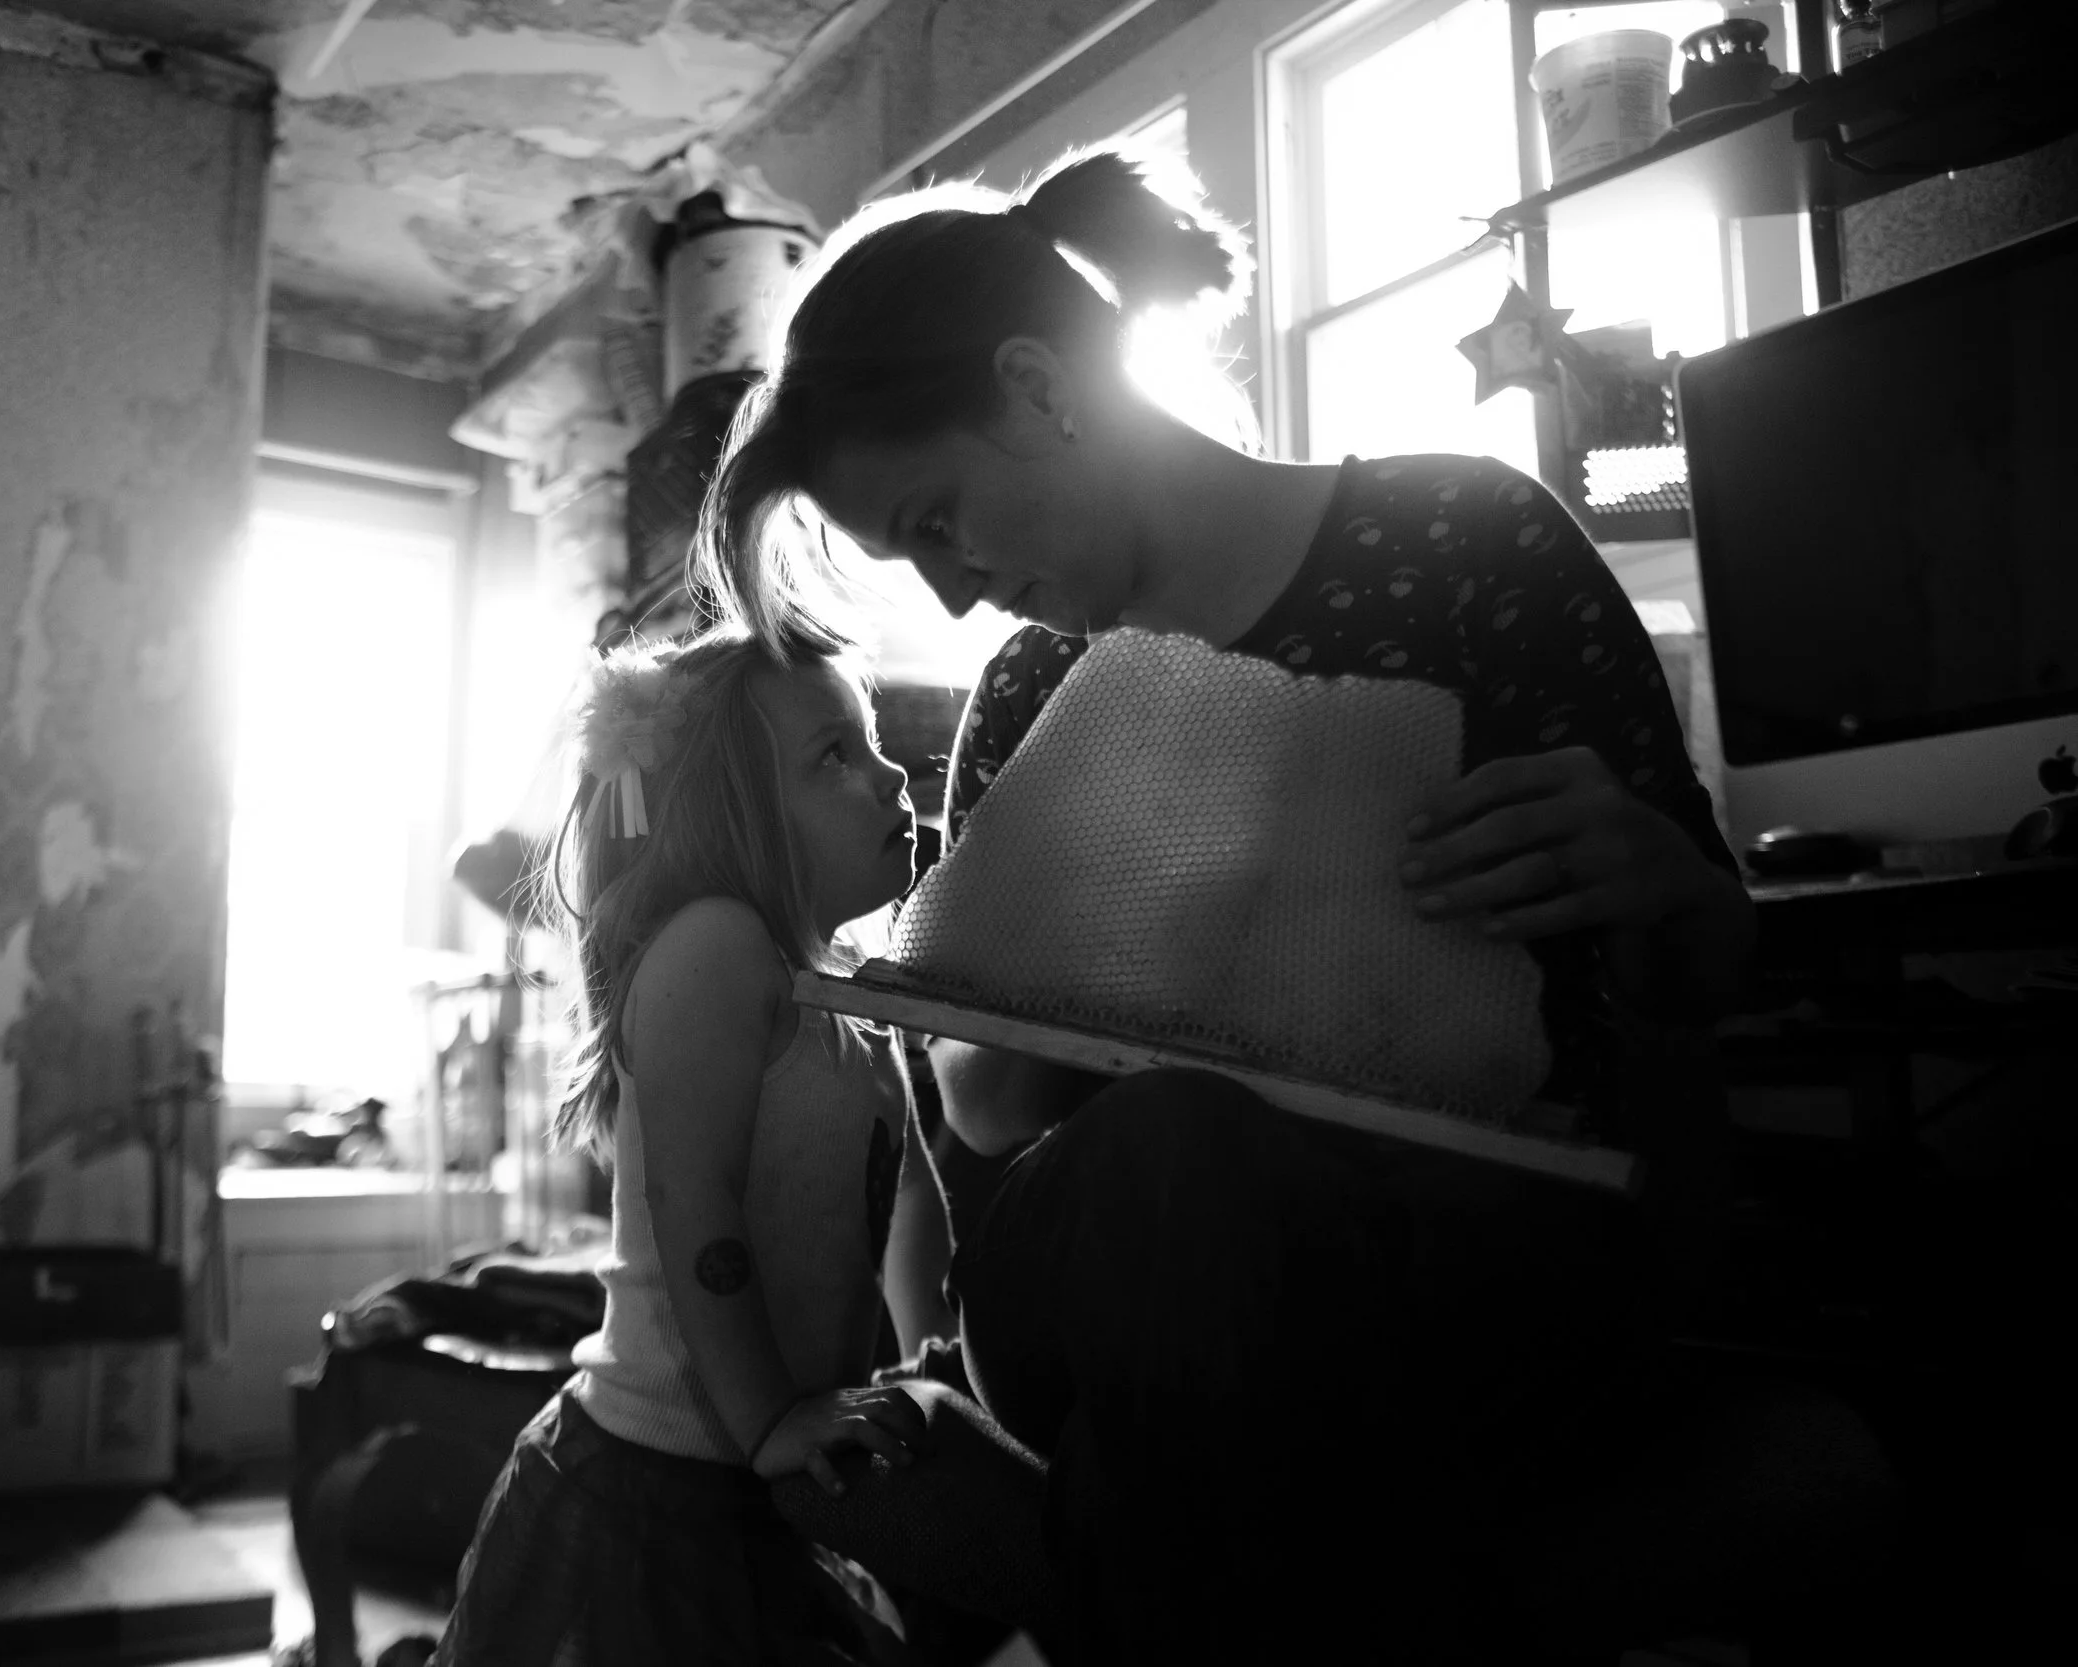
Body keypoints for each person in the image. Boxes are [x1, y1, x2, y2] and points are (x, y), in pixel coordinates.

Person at [694, 149, 1897, 1662]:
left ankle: (1152, 1583)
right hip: (1124, 1271)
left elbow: (1705, 972)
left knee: (1215, 1307)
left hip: (1465, 1262)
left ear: (1038, 387)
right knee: (1176, 1153)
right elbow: (989, 1120)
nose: (952, 593)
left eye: (938, 520)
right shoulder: (1032, 689)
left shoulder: (1465, 542)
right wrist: (1049, 955)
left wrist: (1651, 876)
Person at [437, 630, 947, 1667]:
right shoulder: (715, 944)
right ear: (737, 815)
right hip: (660, 1486)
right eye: (834, 755)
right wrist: (767, 1424)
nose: (892, 774)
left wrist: (930, 1362)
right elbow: (695, 1206)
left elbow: (894, 1199)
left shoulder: (842, 978)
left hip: (766, 1474)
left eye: (873, 743)